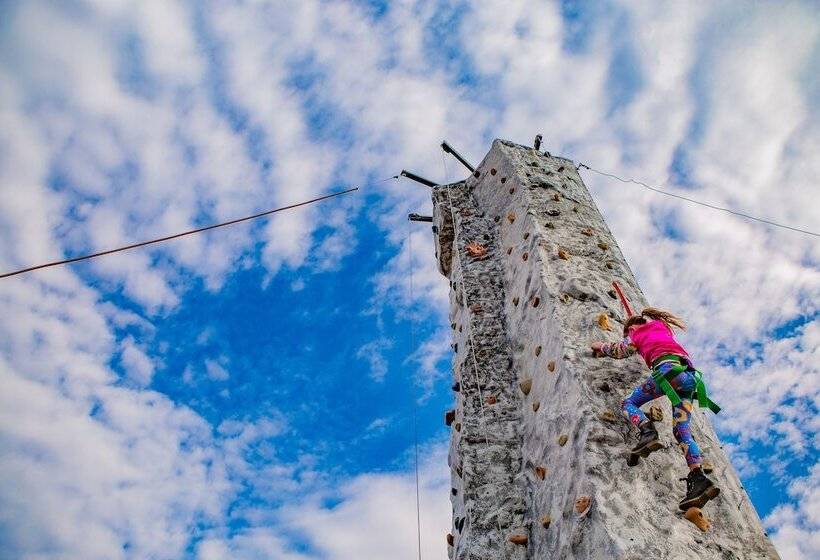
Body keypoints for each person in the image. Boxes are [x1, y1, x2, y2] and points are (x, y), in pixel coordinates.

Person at [591, 307, 720, 510]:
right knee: (682, 431)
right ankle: (698, 477)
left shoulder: (636, 333)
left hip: (668, 373)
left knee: (628, 404)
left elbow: (620, 350)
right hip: (690, 379)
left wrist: (600, 346)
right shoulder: (661, 327)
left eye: (628, 332)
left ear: (632, 328)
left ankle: (647, 431)